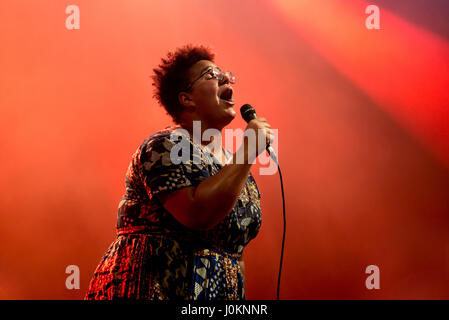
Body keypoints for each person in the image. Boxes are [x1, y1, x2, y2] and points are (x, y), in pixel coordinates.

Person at [85, 44, 273, 300]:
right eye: (212, 75)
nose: (226, 80)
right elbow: (197, 214)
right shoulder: (164, 146)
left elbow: (234, 252)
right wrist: (248, 153)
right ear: (187, 98)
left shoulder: (234, 165)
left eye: (226, 75)